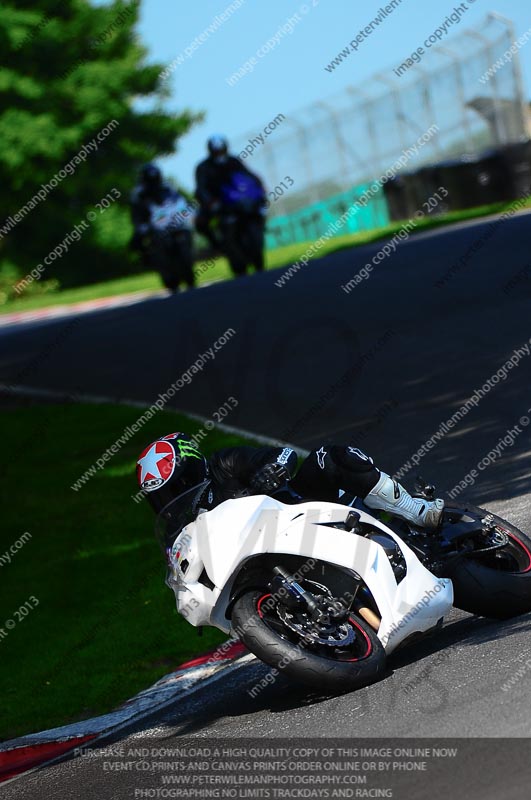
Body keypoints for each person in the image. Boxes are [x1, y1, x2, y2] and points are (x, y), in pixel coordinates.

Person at [136, 433, 444, 530]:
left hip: (301, 507)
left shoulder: (224, 463)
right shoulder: (183, 530)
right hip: (265, 552)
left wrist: (270, 470)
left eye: (174, 487)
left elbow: (282, 454)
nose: (171, 500)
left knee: (330, 456)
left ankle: (414, 509)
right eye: (162, 497)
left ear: (190, 469)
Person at [194, 135, 265, 251]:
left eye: (221, 150)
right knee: (201, 223)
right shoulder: (203, 167)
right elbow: (201, 188)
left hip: (238, 200)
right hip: (216, 202)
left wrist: (260, 188)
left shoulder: (234, 161)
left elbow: (249, 175)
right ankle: (216, 245)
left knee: (259, 209)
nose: (219, 154)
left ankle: (259, 230)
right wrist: (210, 202)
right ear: (211, 151)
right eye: (216, 151)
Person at [130, 163, 195, 290]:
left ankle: (187, 269)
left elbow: (180, 201)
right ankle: (151, 263)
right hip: (154, 227)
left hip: (174, 223)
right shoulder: (138, 194)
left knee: (189, 231)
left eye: (155, 179)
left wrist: (187, 213)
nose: (153, 183)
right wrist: (142, 227)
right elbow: (136, 214)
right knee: (137, 243)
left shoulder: (169, 188)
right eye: (150, 180)